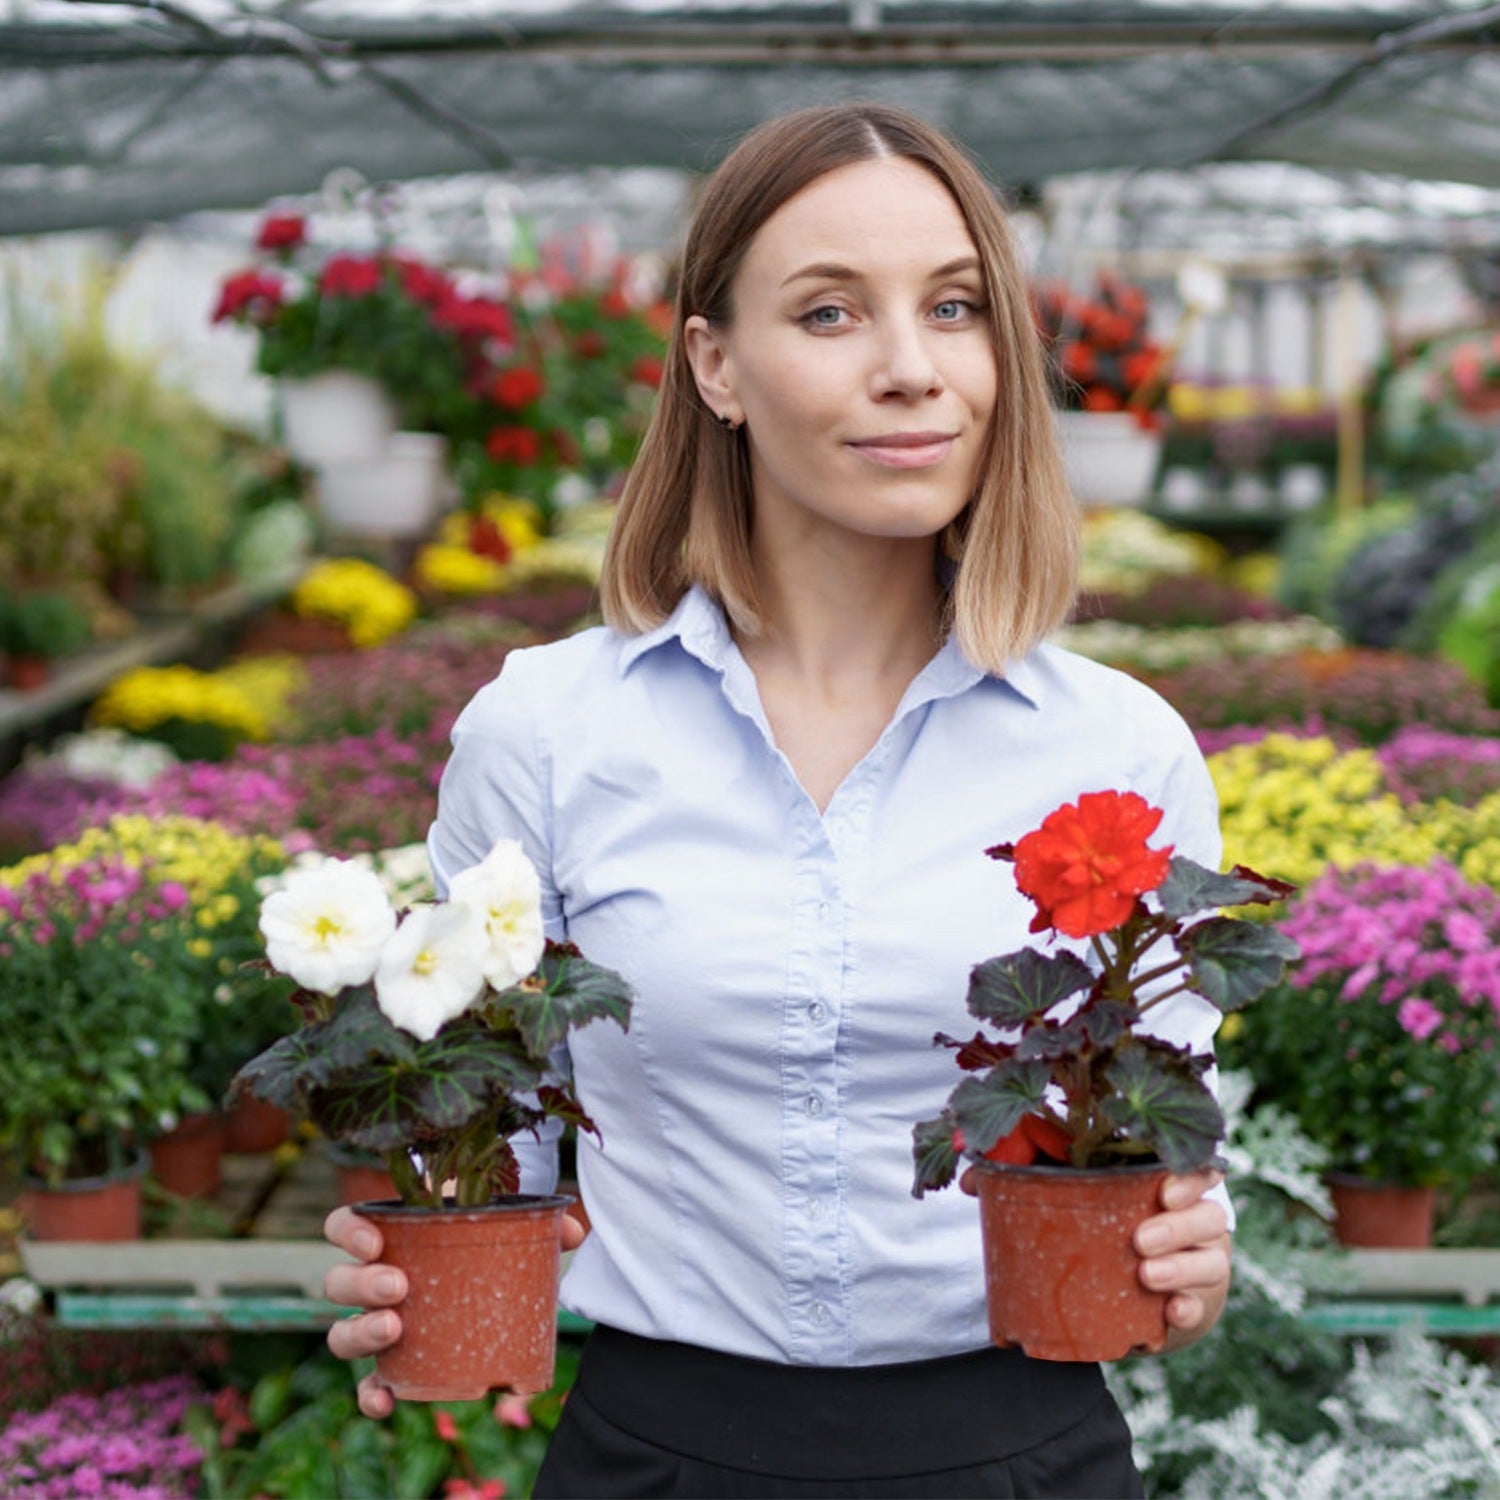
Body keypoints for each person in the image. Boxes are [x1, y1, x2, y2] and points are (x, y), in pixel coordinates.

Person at [324, 101, 1233, 1498]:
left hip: (1023, 1454)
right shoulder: (550, 734)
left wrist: (1193, 1246)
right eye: (829, 314)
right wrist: (405, 1267)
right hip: (658, 1458)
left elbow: (1165, 1138)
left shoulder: (1118, 749)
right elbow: (482, 1143)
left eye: (955, 307)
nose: (913, 370)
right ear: (716, 365)